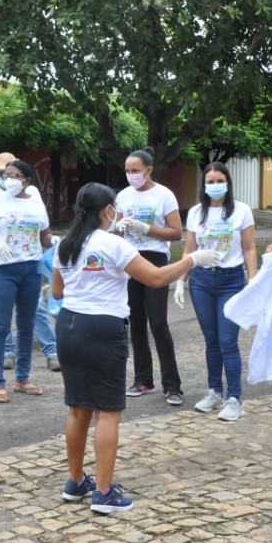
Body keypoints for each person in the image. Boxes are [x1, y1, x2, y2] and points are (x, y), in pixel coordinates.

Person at [52, 183, 222, 513]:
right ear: (106, 211)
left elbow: (57, 292)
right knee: (107, 413)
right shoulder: (114, 245)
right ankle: (103, 493)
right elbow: (156, 278)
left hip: (69, 325)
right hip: (102, 328)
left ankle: (76, 482)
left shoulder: (65, 245)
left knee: (77, 408)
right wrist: (191, 259)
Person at [176, 162, 258, 421]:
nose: (214, 186)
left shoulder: (241, 211)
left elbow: (249, 248)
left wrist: (253, 279)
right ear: (204, 185)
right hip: (201, 280)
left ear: (228, 182)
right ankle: (215, 392)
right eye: (209, 182)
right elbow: (189, 250)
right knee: (211, 341)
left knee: (227, 341)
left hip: (230, 280)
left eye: (219, 180)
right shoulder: (196, 213)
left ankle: (235, 398)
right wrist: (181, 280)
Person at [0, 152, 60, 372]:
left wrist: (53, 241)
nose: (7, 179)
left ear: (27, 180)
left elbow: (44, 233)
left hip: (31, 268)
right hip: (1, 266)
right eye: (4, 174)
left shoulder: (35, 200)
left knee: (30, 319)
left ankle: (27, 374)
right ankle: (0, 372)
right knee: (0, 323)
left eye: (13, 175)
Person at [115, 147, 185, 405]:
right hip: (130, 259)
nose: (131, 175)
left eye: (135, 170)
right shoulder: (123, 196)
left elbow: (176, 232)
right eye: (127, 171)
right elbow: (116, 232)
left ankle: (173, 385)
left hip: (155, 259)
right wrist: (119, 227)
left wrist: (148, 229)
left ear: (148, 170)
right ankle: (143, 379)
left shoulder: (163, 195)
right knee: (136, 321)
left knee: (158, 322)